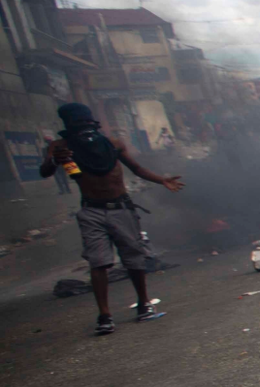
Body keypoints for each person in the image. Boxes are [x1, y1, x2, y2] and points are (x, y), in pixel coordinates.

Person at [39, 103, 186, 336]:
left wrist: (162, 180)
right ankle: (105, 316)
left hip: (121, 207)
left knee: (134, 258)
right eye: (78, 125)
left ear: (93, 123)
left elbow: (136, 168)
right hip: (91, 211)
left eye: (86, 124)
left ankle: (144, 303)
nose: (84, 130)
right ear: (68, 127)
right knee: (98, 263)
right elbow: (45, 171)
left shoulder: (113, 144)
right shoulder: (61, 147)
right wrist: (54, 160)